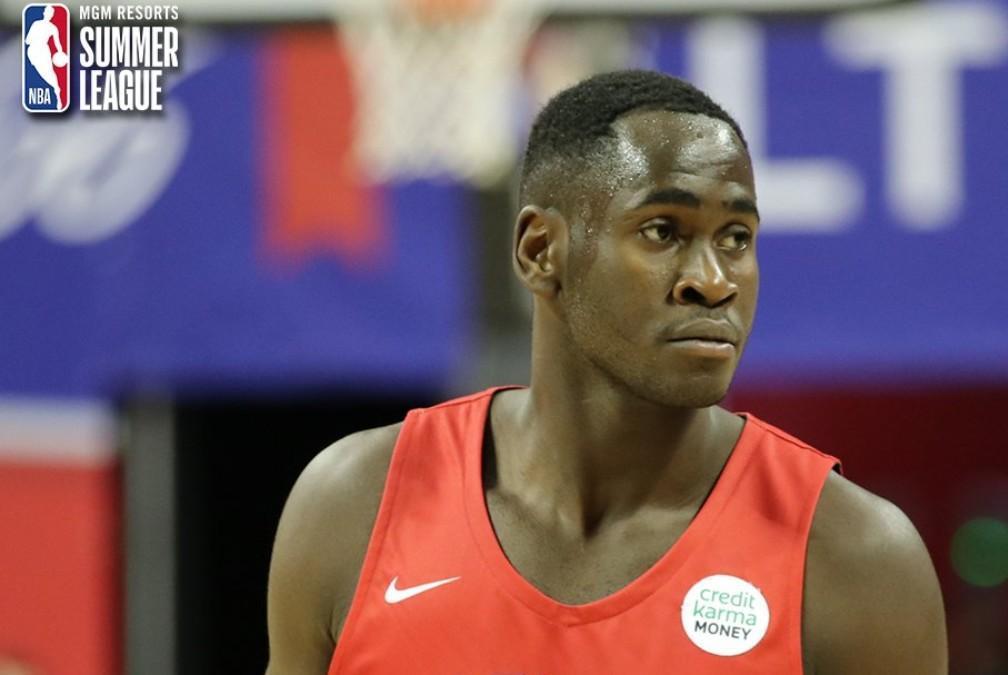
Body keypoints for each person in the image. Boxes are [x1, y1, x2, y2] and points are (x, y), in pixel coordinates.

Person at [266, 69, 947, 674]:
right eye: (663, 231)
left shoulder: (855, 559)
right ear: (541, 251)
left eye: (736, 238)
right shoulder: (354, 505)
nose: (713, 281)